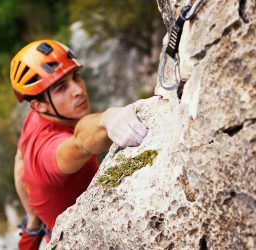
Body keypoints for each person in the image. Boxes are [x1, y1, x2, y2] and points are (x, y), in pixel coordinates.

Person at [10, 39, 158, 249]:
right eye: (61, 88)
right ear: (39, 104)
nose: (78, 90)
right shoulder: (49, 153)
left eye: (76, 77)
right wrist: (105, 120)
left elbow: (19, 165)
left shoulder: (34, 118)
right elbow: (80, 142)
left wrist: (32, 218)